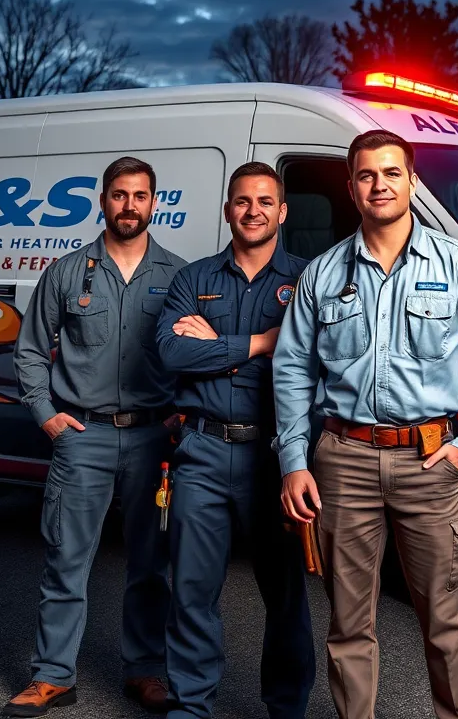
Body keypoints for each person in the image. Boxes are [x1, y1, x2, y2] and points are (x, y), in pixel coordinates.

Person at [275, 128, 458, 719]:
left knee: (446, 619)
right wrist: (294, 461)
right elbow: (292, 369)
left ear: (411, 180)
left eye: (390, 173)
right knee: (348, 623)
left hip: (430, 461)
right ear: (351, 188)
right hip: (343, 461)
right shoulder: (323, 273)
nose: (379, 185)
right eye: (366, 175)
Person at [3, 156, 187, 718]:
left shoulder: (178, 276)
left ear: (154, 203)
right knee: (66, 559)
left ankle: (145, 670)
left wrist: (181, 413)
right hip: (83, 437)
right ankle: (53, 676)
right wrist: (46, 415)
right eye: (119, 194)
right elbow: (29, 351)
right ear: (103, 201)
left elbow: (194, 354)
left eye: (140, 195)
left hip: (154, 441)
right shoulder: (66, 272)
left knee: (150, 564)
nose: (129, 205)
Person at [155, 162, 316, 719]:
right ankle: (190, 706)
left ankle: (287, 708)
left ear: (283, 211)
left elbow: (316, 362)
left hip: (275, 456)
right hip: (200, 452)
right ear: (228, 210)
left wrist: (215, 344)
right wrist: (262, 342)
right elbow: (172, 352)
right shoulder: (193, 278)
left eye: (265, 202)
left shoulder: (308, 280)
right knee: (192, 590)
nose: (254, 211)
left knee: (285, 593)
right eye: (243, 201)